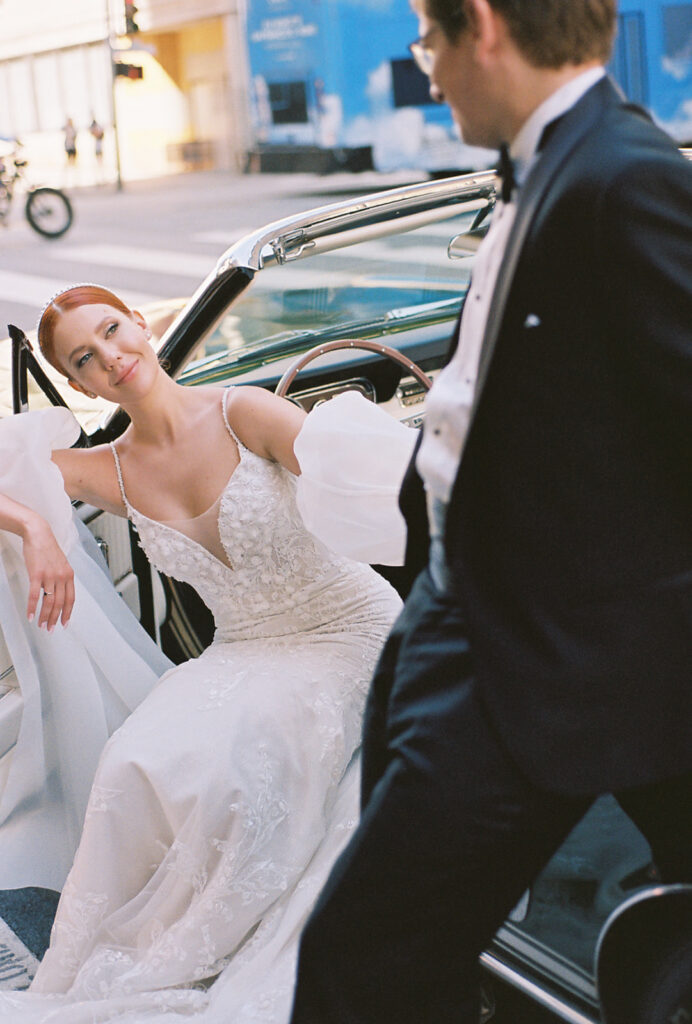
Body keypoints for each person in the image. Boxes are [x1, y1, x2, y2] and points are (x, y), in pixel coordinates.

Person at [289, 1, 692, 1021]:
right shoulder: (551, 168)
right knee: (397, 955)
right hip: (457, 613)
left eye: (425, 40)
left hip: (546, 654)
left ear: (480, 26)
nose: (425, 69)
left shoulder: (621, 176)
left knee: (358, 957)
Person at [0, 284, 408, 1022]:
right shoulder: (109, 470)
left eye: (114, 331)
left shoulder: (242, 410)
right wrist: (31, 527)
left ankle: (232, 936)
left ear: (142, 325)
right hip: (245, 647)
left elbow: (357, 476)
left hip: (345, 627)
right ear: (74, 383)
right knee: (135, 758)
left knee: (246, 760)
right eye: (84, 358)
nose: (112, 358)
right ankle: (160, 948)